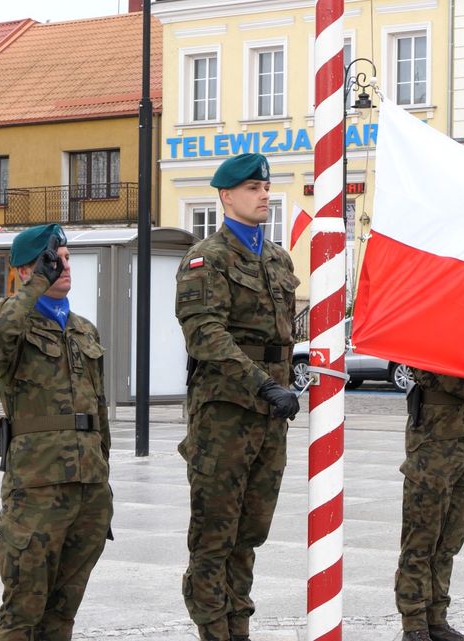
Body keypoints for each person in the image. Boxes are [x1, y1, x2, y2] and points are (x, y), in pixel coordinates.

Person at [175, 152, 300, 641]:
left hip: (270, 416)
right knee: (214, 535)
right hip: (226, 415)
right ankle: (213, 629)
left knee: (250, 534)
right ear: (226, 196)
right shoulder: (208, 258)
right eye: (252, 188)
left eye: (266, 187)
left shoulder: (278, 259)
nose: (264, 194)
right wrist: (263, 384)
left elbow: (284, 336)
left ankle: (238, 626)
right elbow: (205, 334)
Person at [0, 223, 113, 641]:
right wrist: (40, 279)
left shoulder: (84, 329)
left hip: (88, 486)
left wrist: (104, 478)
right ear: (24, 272)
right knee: (23, 610)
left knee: (62, 613)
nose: (63, 267)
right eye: (52, 260)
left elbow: (99, 409)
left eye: (67, 259)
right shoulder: (9, 325)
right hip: (36, 489)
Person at [396, 369, 464, 641]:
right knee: (421, 541)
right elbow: (453, 380)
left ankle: (436, 620)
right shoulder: (429, 338)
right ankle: (415, 625)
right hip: (432, 450)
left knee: (449, 541)